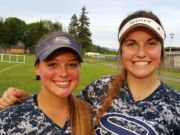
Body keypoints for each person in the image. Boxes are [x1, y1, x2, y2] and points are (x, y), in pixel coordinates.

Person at [1, 10, 180, 134]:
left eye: (151, 43)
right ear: (121, 50)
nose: (141, 53)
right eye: (131, 43)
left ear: (162, 49)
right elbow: (59, 101)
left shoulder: (176, 105)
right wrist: (24, 101)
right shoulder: (100, 88)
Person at [0, 32, 92, 135]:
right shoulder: (8, 120)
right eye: (52, 64)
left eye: (71, 64)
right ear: (37, 69)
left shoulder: (92, 115)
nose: (63, 73)